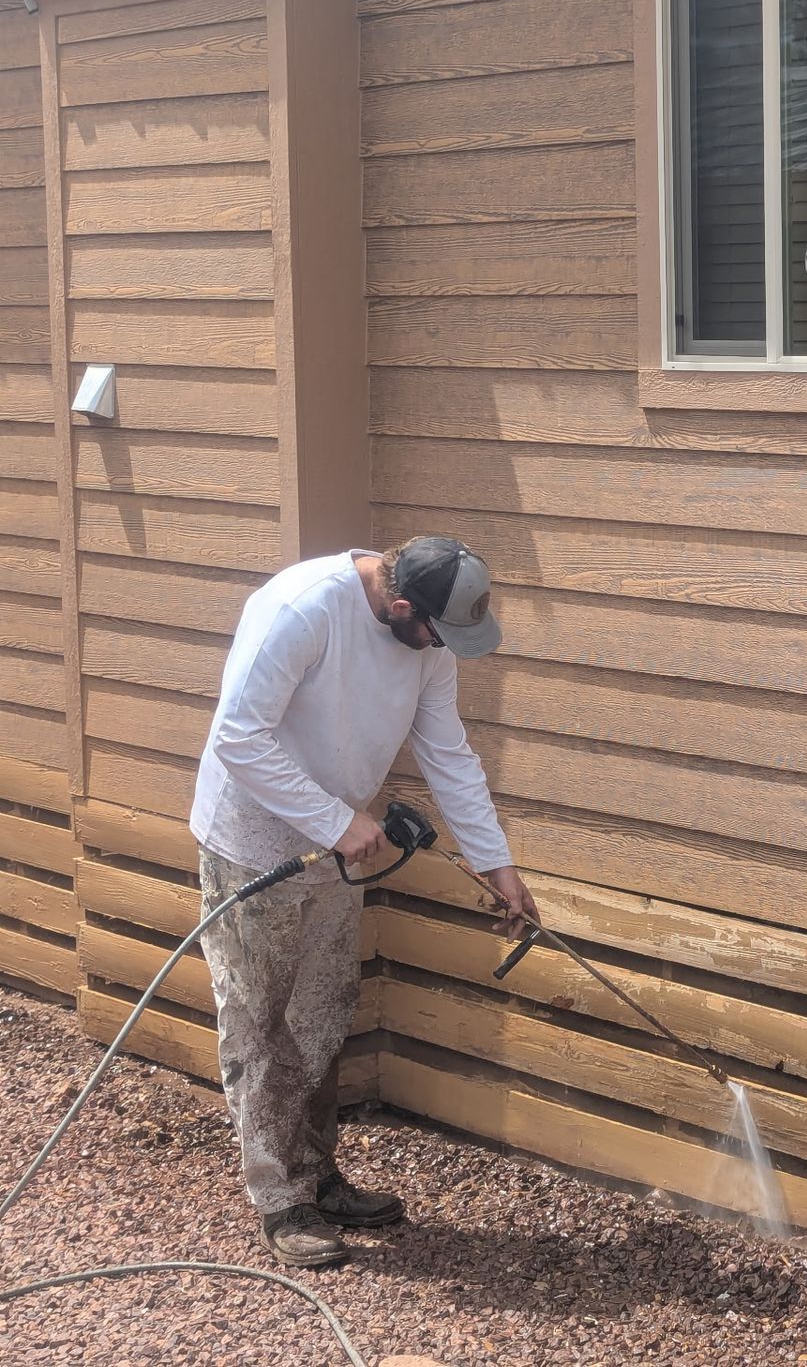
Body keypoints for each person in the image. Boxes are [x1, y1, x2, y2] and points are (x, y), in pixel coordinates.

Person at [188, 536, 540, 1269]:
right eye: (438, 633)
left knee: (320, 1011)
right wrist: (337, 822)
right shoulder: (302, 608)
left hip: (339, 843)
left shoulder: (427, 636)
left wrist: (495, 861)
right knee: (262, 1019)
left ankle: (316, 1173)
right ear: (401, 604)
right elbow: (237, 737)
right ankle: (278, 1199)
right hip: (255, 839)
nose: (441, 648)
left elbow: (448, 752)